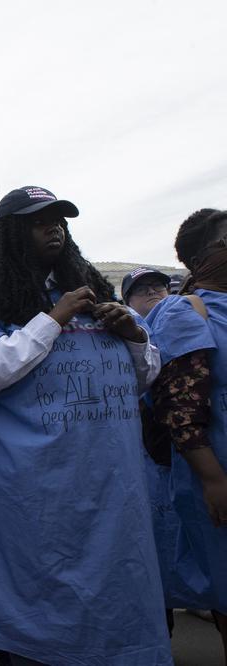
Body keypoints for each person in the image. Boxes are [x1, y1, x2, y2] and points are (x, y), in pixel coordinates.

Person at [0, 186, 171, 665]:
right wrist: (50, 320)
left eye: (60, 219)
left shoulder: (97, 299)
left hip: (107, 490)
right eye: (39, 220)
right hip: (34, 496)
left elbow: (140, 381)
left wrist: (132, 336)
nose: (55, 227)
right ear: (10, 234)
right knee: (37, 621)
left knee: (114, 612)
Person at [147, 208, 227, 661]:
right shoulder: (185, 309)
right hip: (217, 468)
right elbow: (180, 406)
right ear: (206, 257)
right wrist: (213, 479)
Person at [122, 265, 211, 636]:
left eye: (158, 286)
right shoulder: (120, 340)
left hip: (185, 459)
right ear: (126, 304)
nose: (154, 293)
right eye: (143, 290)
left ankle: (200, 600)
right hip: (143, 465)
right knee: (151, 558)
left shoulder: (187, 326)